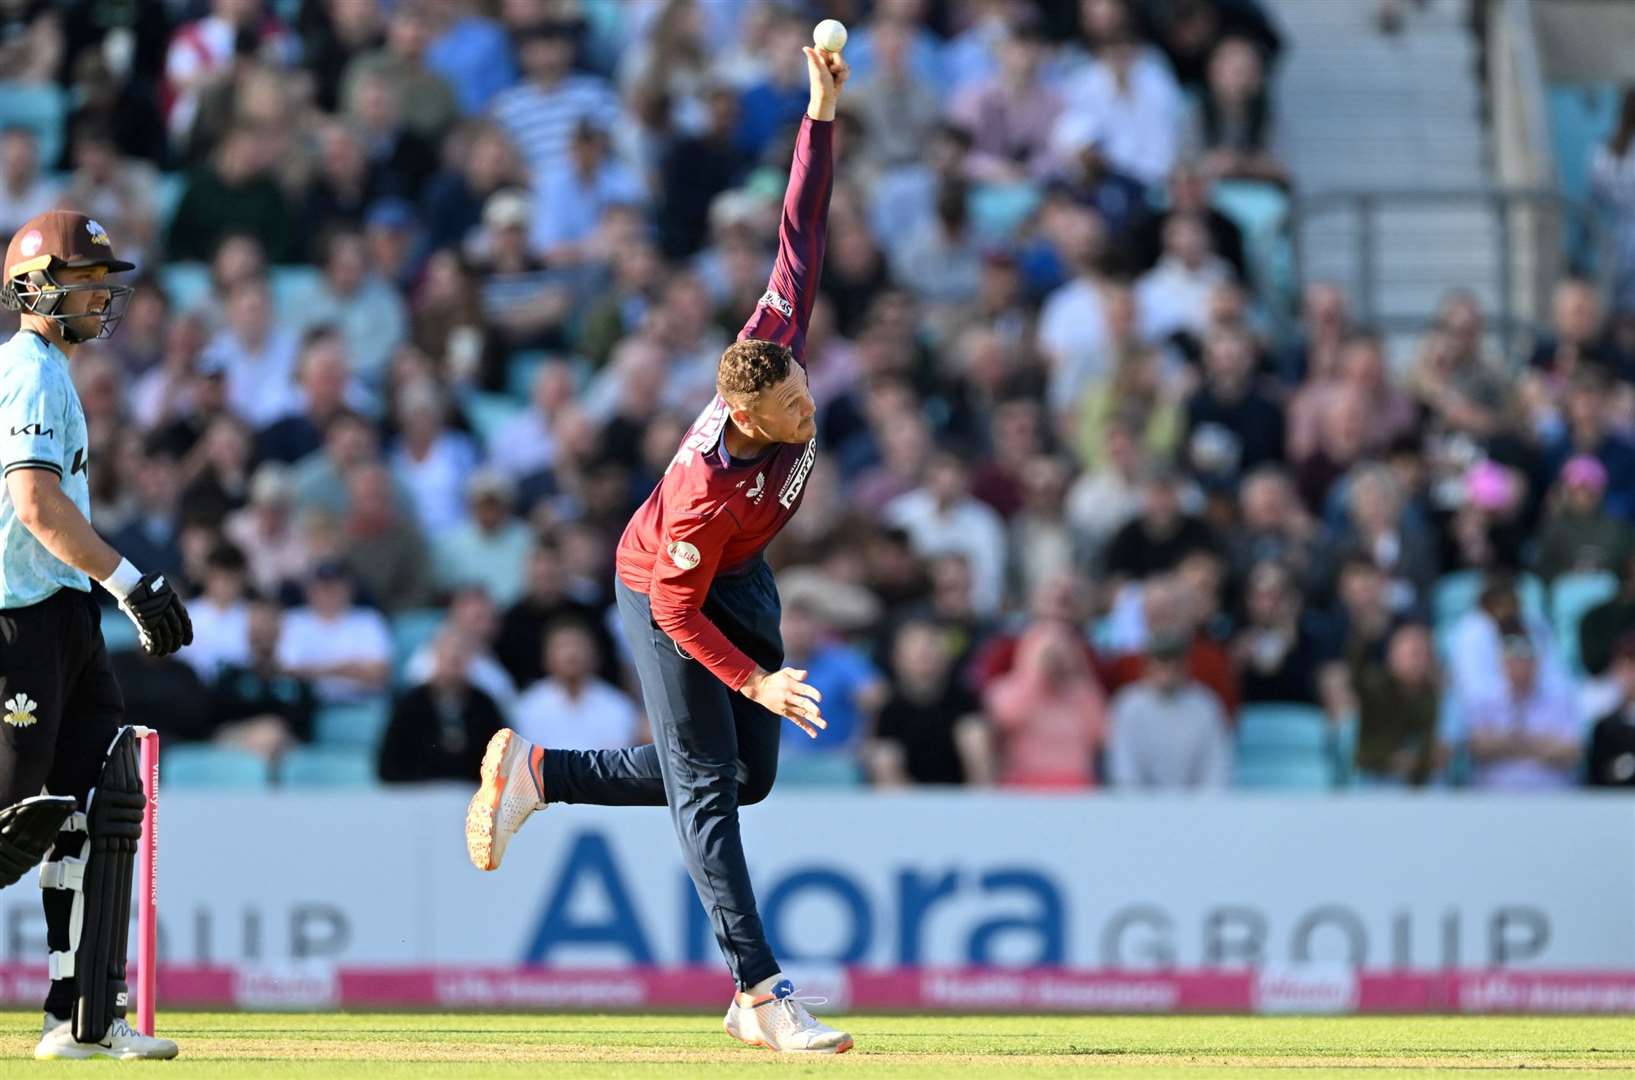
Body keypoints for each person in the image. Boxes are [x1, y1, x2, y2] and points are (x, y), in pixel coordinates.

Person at [465, 46, 855, 1054]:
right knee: (710, 788)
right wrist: (756, 684)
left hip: (743, 579)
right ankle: (759, 991)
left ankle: (540, 776)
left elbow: (799, 231)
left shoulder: (776, 341)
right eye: (789, 409)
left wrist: (817, 115)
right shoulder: (700, 492)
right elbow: (676, 615)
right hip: (664, 586)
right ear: (743, 411)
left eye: (805, 394)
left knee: (740, 776)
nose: (808, 412)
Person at [0, 210, 187, 1058]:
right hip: (18, 620)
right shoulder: (30, 373)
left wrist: (100, 593)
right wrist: (131, 584)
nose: (101, 297)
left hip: (60, 610)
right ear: (35, 289)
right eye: (82, 282)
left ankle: (78, 1016)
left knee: (100, 802)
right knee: (16, 826)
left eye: (101, 282)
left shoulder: (54, 371)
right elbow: (37, 507)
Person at [1105, 629, 1233, 789]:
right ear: (1146, 667)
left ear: (1186, 666)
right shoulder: (1128, 706)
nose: (1167, 673)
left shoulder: (1205, 705)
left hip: (1197, 809)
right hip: (1139, 809)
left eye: (1174, 665)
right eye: (1161, 664)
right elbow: (1124, 772)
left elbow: (1216, 771)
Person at [378, 628, 505, 784]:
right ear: (435, 657)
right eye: (448, 655)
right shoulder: (410, 705)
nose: (453, 661)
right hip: (419, 796)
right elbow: (388, 765)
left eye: (459, 656)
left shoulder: (484, 705)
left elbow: (503, 762)